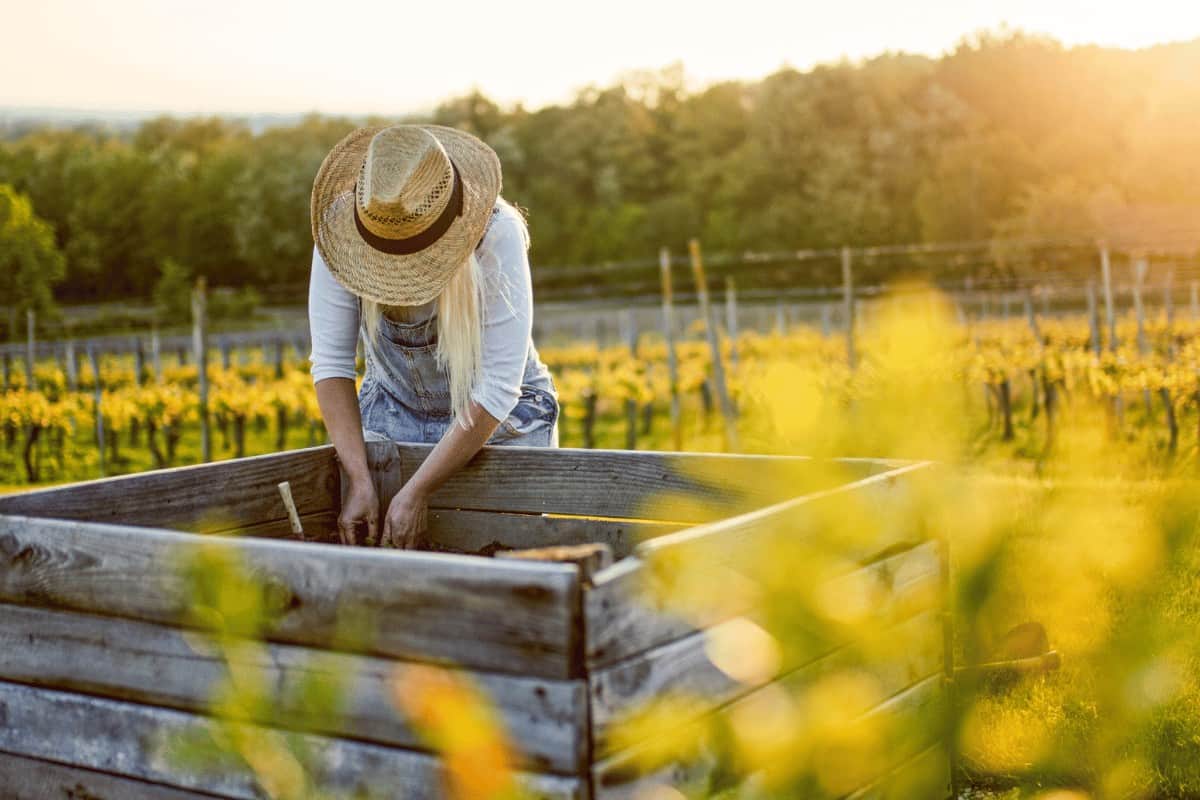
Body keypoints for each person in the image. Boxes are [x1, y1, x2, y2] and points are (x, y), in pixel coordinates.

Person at [307, 124, 558, 550]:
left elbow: (498, 386)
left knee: (507, 573)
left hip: (498, 423)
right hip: (394, 410)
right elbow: (331, 364)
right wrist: (359, 477)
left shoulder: (496, 232)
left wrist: (417, 491)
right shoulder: (340, 235)